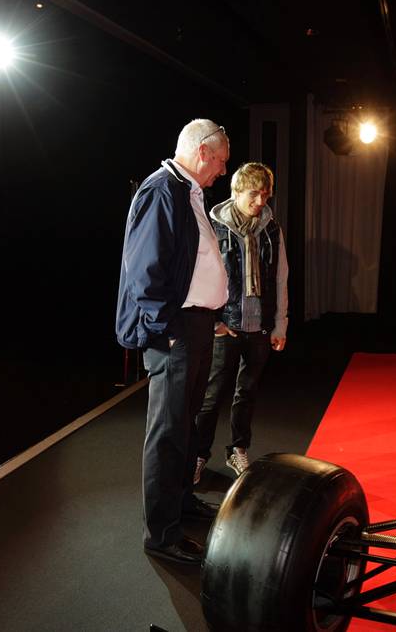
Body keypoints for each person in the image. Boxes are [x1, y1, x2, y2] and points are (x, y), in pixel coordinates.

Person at [116, 119, 231, 565]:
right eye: (221, 161)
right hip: (175, 330)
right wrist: (166, 328)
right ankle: (162, 535)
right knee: (168, 432)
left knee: (186, 425)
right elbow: (144, 270)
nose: (223, 171)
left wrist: (208, 314)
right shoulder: (161, 189)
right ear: (203, 152)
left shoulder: (189, 192)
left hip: (195, 326)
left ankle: (181, 503)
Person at [194, 162, 288, 483]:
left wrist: (280, 324)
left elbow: (281, 278)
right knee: (211, 396)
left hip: (259, 327)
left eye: (265, 195)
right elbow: (201, 277)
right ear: (236, 191)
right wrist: (214, 323)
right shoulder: (214, 226)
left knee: (246, 393)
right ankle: (198, 454)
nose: (260, 201)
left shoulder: (271, 229)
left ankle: (238, 449)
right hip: (226, 325)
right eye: (254, 194)